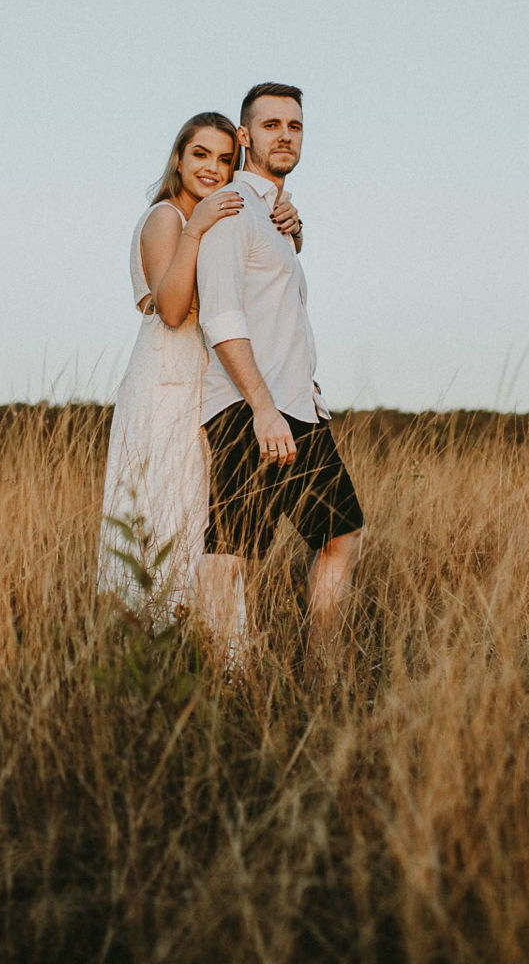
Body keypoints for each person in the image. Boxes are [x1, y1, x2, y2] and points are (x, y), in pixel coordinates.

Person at [97, 112, 301, 624]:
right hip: (166, 383)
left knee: (200, 516)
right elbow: (171, 309)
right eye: (200, 155)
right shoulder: (169, 217)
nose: (212, 168)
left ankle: (205, 642)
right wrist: (199, 227)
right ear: (178, 158)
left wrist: (291, 227)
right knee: (166, 509)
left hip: (205, 383)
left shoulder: (222, 218)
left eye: (225, 159)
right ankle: (154, 635)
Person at [193, 83, 366, 664]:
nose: (285, 135)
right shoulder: (232, 210)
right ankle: (228, 681)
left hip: (298, 408)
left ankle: (322, 669)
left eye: (294, 125)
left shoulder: (274, 219)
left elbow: (278, 313)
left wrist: (302, 388)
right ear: (244, 137)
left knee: (342, 535)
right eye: (270, 125)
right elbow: (220, 317)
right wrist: (262, 408)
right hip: (251, 409)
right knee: (232, 553)